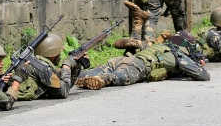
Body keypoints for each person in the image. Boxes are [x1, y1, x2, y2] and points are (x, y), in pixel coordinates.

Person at [76, 30, 209, 90]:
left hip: (124, 59)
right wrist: (198, 64)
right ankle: (103, 79)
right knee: (119, 76)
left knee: (83, 74)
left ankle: (67, 74)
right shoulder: (179, 55)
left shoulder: (162, 46)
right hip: (137, 66)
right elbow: (203, 76)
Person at [16, 34, 83, 101]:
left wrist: (75, 68)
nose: (60, 55)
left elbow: (63, 86)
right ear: (53, 53)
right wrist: (66, 67)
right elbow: (62, 92)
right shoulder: (43, 68)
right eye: (59, 52)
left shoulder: (38, 64)